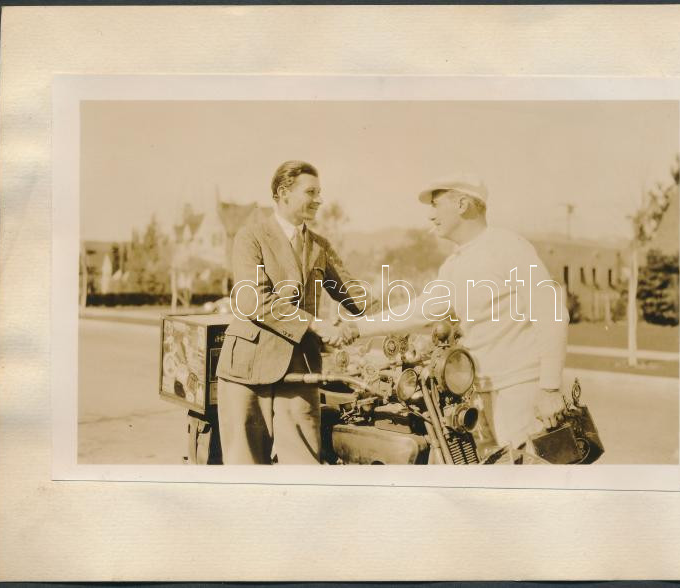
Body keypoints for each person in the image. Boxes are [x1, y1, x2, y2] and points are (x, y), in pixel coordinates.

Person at [352, 174, 568, 457]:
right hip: (479, 392)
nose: (430, 216)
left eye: (435, 205)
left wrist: (550, 389)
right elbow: (422, 310)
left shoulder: (509, 247)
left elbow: (552, 314)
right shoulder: (455, 264)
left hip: (520, 390)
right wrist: (356, 327)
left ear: (462, 204)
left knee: (527, 475)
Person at [215, 160, 365, 464]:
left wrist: (418, 313)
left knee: (303, 466)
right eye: (311, 192)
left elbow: (357, 298)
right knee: (245, 469)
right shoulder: (250, 236)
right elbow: (254, 301)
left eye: (319, 192)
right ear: (283, 192)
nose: (319, 200)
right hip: (249, 368)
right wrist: (317, 325)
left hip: (301, 369)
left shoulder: (320, 246)